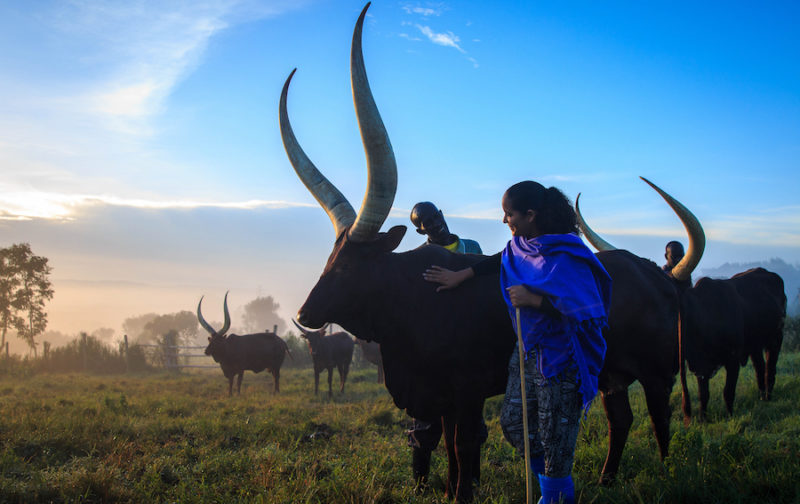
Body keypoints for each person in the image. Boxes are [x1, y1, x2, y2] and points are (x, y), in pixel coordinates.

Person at [423, 181, 612, 504]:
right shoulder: (520, 246)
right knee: (513, 422)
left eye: (508, 214)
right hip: (528, 349)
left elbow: (587, 310)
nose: (504, 221)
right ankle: (549, 483)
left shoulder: (567, 254)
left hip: (563, 359)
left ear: (530, 215)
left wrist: (535, 301)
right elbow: (500, 259)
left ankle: (555, 495)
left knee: (556, 437)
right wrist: (461, 276)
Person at [406, 201, 486, 490]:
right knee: (426, 419)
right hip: (434, 349)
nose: (433, 223)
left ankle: (471, 479)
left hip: (471, 343)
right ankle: (420, 483)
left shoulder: (472, 247)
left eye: (435, 216)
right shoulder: (418, 258)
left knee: (471, 417)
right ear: (419, 229)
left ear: (442, 215)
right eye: (425, 221)